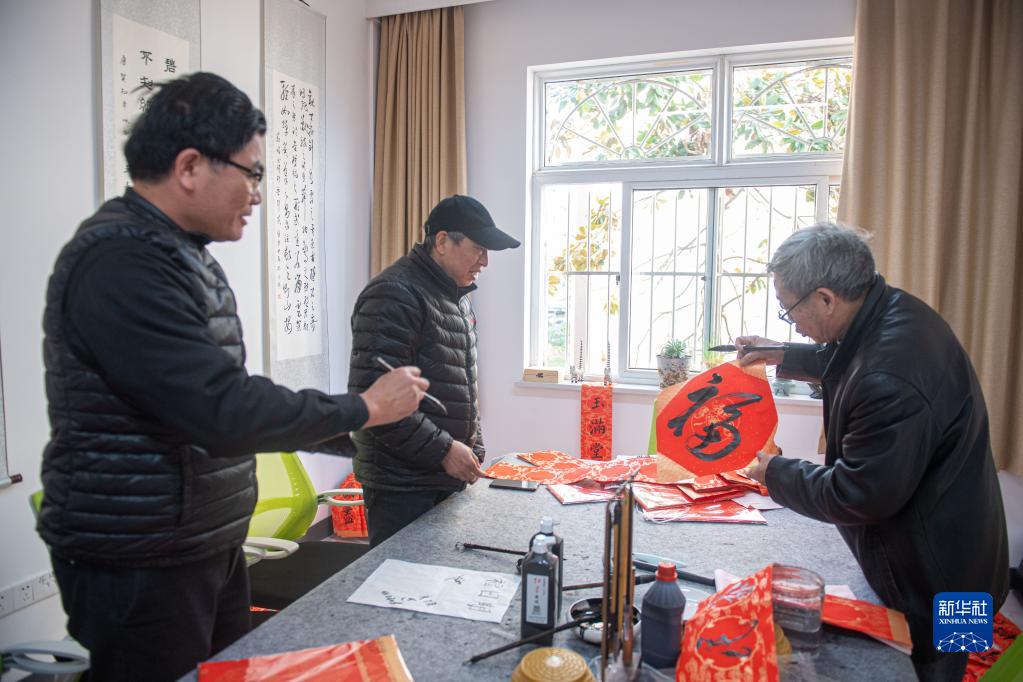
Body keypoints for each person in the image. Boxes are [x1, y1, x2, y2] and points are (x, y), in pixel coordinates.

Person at [37, 72, 428, 682]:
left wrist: (361, 429)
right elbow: (219, 408)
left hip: (200, 534)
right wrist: (364, 409)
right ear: (191, 166)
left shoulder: (181, 253)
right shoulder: (123, 260)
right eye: (252, 173)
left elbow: (217, 398)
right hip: (140, 551)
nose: (257, 195)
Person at [738, 223, 1009, 681]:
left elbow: (858, 494)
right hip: (962, 547)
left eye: (790, 309)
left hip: (944, 580)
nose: (792, 321)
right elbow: (847, 357)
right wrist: (781, 354)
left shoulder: (889, 377)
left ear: (826, 299)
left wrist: (775, 471)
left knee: (931, 668)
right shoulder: (892, 312)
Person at [348, 195, 520, 547]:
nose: (485, 261)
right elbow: (375, 400)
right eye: (478, 248)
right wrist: (444, 450)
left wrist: (473, 443)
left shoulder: (457, 299)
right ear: (442, 241)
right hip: (402, 484)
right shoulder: (394, 294)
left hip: (441, 475)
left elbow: (459, 384)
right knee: (403, 578)